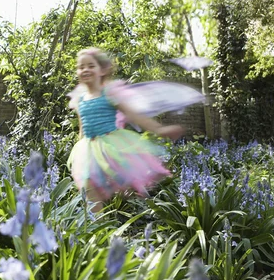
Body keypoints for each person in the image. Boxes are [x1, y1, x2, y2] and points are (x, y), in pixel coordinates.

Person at [67, 47, 205, 212]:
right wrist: (79, 155)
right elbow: (82, 127)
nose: (85, 70)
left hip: (111, 144)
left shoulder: (109, 94)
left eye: (91, 66)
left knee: (124, 178)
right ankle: (98, 228)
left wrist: (160, 130)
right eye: (81, 67)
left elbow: (135, 116)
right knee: (89, 189)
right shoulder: (79, 100)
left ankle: (135, 194)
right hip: (88, 149)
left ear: (102, 70)